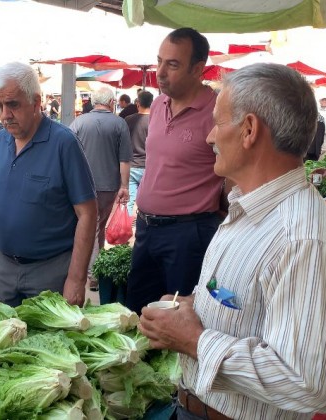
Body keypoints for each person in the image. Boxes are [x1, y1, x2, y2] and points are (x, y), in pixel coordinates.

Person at [139, 63, 326, 420]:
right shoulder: (246, 209)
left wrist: (194, 340)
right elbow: (243, 304)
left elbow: (309, 383)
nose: (209, 137)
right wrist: (192, 308)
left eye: (217, 122)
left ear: (249, 130)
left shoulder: (306, 241)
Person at [125, 28, 224, 314]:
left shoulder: (217, 111)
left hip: (187, 235)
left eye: (173, 65)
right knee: (139, 314)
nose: (160, 72)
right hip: (146, 229)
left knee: (180, 318)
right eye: (159, 61)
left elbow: (234, 173)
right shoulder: (158, 104)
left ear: (198, 68)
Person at [0, 62, 97, 307]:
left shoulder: (63, 143)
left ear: (36, 102)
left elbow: (87, 213)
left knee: (48, 344)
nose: (4, 114)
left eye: (13, 104)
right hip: (4, 268)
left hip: (50, 272)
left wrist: (76, 279)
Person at [69, 86, 131, 290]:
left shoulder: (78, 123)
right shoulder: (119, 123)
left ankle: (92, 270)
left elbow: (67, 155)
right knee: (97, 226)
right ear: (112, 102)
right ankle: (94, 272)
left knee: (92, 226)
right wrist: (124, 185)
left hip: (80, 184)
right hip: (108, 185)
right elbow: (124, 160)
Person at [125, 90, 154, 215]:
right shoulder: (155, 121)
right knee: (149, 199)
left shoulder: (128, 120)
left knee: (130, 200)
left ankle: (126, 225)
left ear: (138, 104)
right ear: (152, 103)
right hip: (149, 166)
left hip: (131, 165)